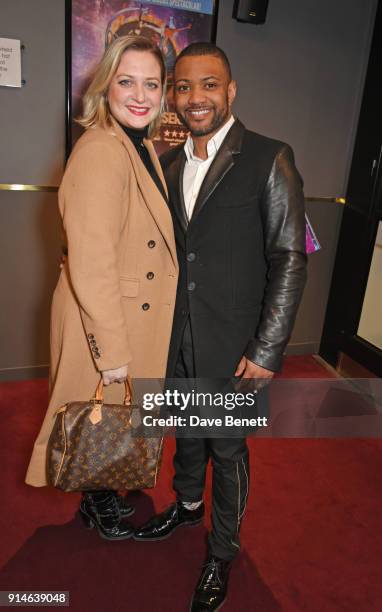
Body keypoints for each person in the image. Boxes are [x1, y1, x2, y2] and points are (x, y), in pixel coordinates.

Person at [133, 42, 307, 610]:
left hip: (238, 347)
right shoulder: (169, 160)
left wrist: (268, 348)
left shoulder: (269, 157)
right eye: (182, 87)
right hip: (177, 337)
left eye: (209, 85)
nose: (195, 98)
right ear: (172, 97)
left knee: (227, 450)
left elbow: (290, 257)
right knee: (186, 430)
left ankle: (224, 551)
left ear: (230, 92)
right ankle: (185, 508)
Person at [25, 36, 178, 541]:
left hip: (127, 309)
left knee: (115, 414)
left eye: (151, 84)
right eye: (126, 81)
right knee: (98, 415)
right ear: (105, 85)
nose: (140, 94)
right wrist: (111, 349)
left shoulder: (136, 144)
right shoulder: (100, 150)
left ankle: (106, 487)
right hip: (108, 317)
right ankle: (97, 500)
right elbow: (91, 262)